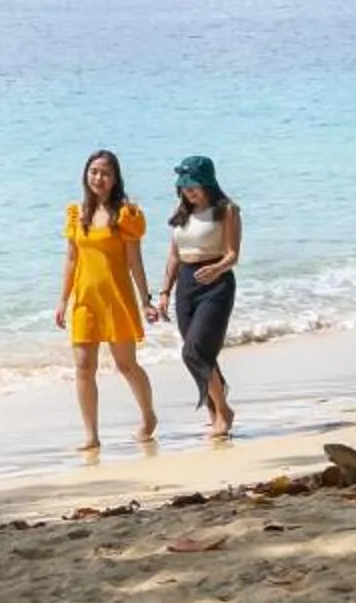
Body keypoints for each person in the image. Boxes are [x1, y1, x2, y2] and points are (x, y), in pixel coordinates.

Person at [55, 149, 158, 452]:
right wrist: (63, 301)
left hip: (116, 298)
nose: (98, 178)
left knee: (126, 365)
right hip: (85, 299)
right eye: (94, 172)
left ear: (115, 179)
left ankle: (148, 416)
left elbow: (134, 261)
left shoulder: (126, 214)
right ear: (86, 175)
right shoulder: (76, 213)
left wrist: (146, 300)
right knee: (84, 367)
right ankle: (91, 435)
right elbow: (72, 260)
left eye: (105, 173)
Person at [157, 154, 244, 437]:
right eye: (184, 185)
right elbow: (173, 257)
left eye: (194, 185)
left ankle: (224, 411)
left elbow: (232, 255)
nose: (189, 191)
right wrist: (164, 293)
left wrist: (216, 269)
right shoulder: (181, 212)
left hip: (216, 285)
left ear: (209, 183)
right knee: (202, 353)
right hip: (185, 285)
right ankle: (215, 408)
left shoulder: (227, 211)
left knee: (193, 350)